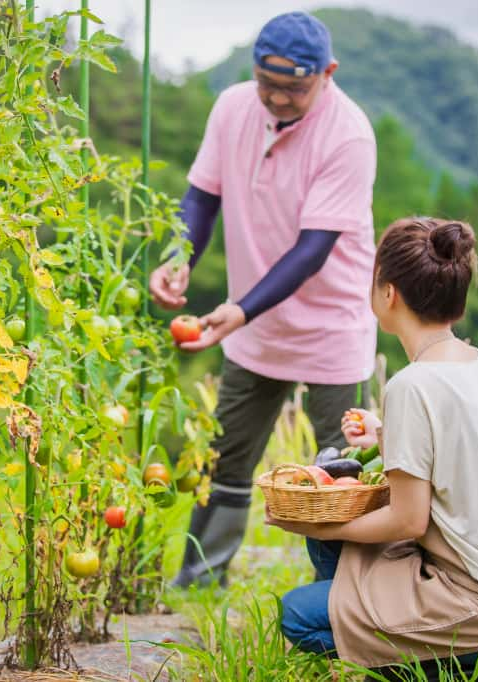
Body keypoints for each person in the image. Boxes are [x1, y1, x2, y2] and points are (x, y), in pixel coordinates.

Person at [149, 11, 378, 588]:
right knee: (226, 455)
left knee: (343, 470)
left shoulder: (348, 135)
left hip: (332, 326)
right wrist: (181, 258)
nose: (276, 97)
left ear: (328, 73)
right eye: (266, 83)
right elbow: (201, 197)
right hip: (253, 323)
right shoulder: (232, 107)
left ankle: (348, 593)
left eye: (294, 88)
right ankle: (201, 580)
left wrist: (240, 309)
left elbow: (313, 249)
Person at [270, 218, 478, 673]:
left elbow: (407, 519)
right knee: (337, 550)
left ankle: (439, 663)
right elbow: (455, 446)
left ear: (389, 293)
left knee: (300, 616)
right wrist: (385, 433)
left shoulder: (411, 385)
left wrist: (320, 528)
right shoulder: (476, 364)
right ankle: (389, 629)